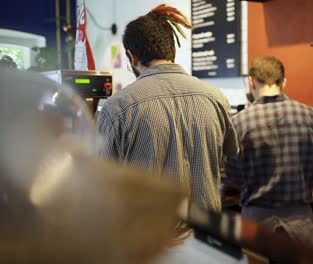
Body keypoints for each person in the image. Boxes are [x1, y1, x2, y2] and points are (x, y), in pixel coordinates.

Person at [96, 5, 238, 212]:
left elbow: (101, 182)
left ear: (132, 56)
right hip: (207, 235)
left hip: (150, 237)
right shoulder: (215, 98)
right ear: (172, 50)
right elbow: (229, 153)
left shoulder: (117, 108)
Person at [223, 56, 313, 246]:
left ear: (251, 81)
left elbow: (234, 177)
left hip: (256, 222)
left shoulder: (238, 122)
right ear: (284, 82)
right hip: (302, 222)